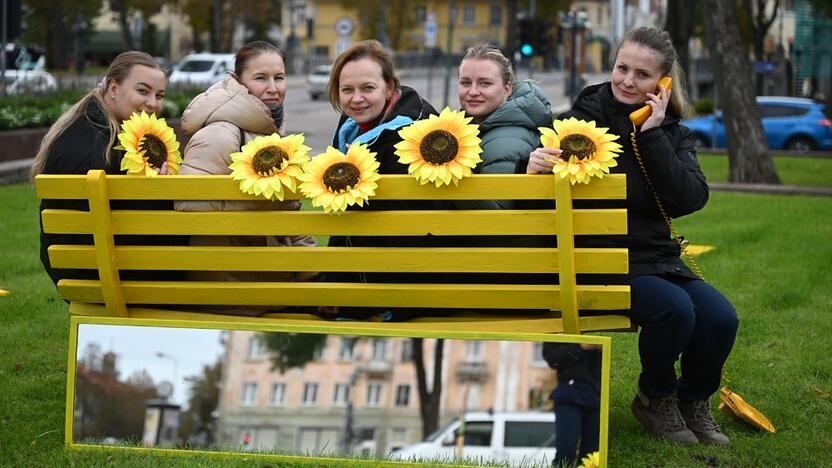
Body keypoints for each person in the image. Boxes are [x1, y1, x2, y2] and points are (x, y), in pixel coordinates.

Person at [523, 27, 738, 445]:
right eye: (622, 68)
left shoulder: (673, 133)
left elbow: (689, 198)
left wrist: (652, 134)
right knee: (675, 311)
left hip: (656, 258)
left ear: (661, 84)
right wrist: (530, 167)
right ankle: (655, 397)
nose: (626, 80)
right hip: (599, 260)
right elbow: (541, 192)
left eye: (641, 74)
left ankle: (693, 401)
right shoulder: (577, 122)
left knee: (720, 317)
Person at [322, 40, 451, 320]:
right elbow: (348, 219)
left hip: (411, 289)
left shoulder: (415, 136)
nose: (356, 98)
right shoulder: (352, 127)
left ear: (389, 88)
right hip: (383, 279)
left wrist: (337, 289)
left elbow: (379, 224)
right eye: (347, 90)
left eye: (368, 88)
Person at [174, 41, 316, 286]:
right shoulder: (220, 134)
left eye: (279, 78)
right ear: (237, 81)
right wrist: (257, 201)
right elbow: (188, 209)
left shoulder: (267, 132)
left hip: (267, 275)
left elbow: (289, 218)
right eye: (261, 78)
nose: (273, 88)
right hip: (233, 283)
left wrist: (316, 276)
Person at [31, 51, 172, 286]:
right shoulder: (100, 149)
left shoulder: (81, 129)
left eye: (159, 95)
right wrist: (157, 192)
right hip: (112, 275)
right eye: (143, 91)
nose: (153, 103)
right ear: (114, 89)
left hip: (76, 274)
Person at [457, 43, 551, 211]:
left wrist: (451, 175)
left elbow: (496, 218)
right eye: (465, 83)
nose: (472, 92)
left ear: (507, 88)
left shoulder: (506, 140)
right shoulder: (478, 126)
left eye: (484, 83)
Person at [542, 342, 601, 467]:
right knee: (565, 454)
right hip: (568, 394)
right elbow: (551, 356)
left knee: (591, 457)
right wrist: (580, 347)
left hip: (597, 395)